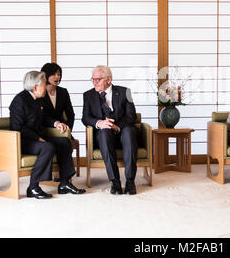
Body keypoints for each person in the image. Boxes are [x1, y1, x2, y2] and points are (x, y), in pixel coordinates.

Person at [9, 71, 85, 199]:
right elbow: (17, 128)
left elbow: (44, 118)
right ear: (35, 87)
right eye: (44, 84)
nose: (47, 86)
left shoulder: (38, 99)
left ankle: (64, 183)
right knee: (48, 147)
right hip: (22, 141)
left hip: (38, 137)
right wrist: (37, 138)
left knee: (64, 142)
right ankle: (33, 187)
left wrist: (56, 123)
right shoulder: (19, 100)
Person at [82, 65, 138, 195]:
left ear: (109, 79)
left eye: (98, 79)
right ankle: (115, 182)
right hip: (104, 135)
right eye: (93, 79)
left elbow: (131, 116)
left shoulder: (126, 92)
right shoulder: (88, 95)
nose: (94, 82)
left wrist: (117, 126)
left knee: (129, 132)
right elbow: (85, 117)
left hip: (123, 131)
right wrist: (99, 123)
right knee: (104, 133)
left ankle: (130, 181)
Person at [40, 62, 75, 139]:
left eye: (59, 74)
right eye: (53, 74)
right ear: (45, 76)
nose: (57, 77)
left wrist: (68, 129)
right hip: (45, 130)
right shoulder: (39, 92)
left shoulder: (63, 92)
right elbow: (41, 116)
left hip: (62, 130)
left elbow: (71, 114)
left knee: (66, 143)